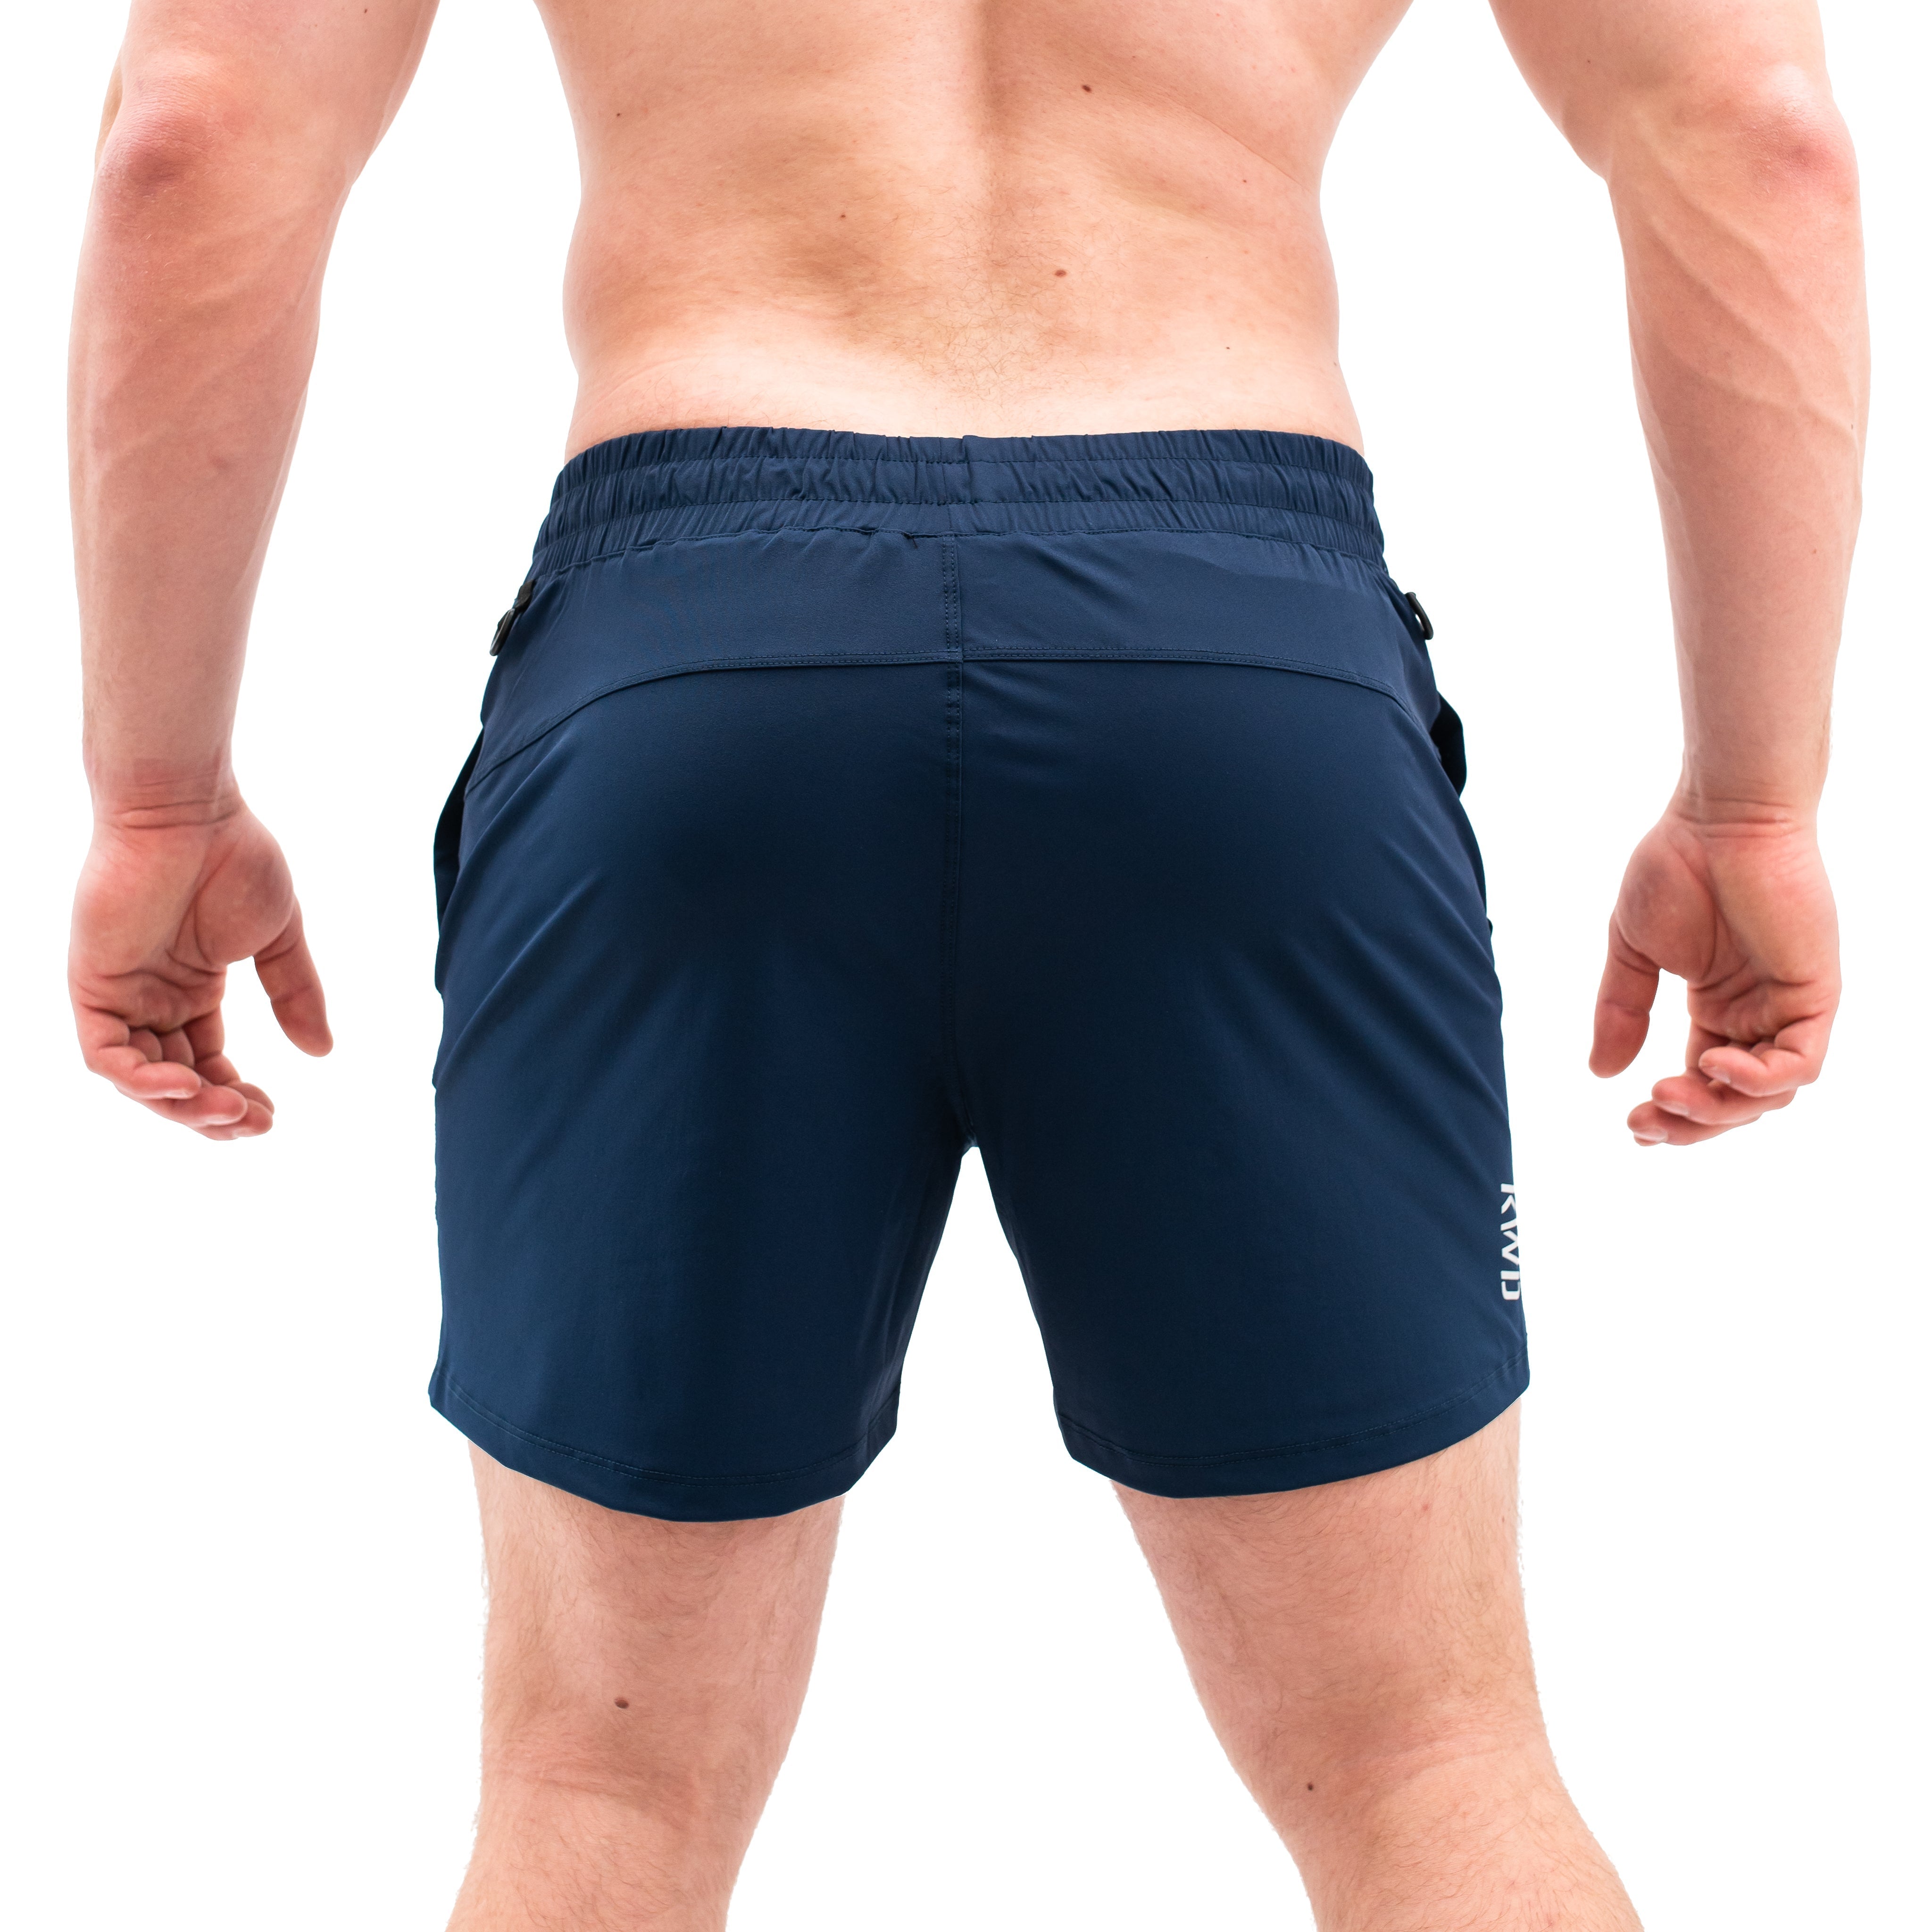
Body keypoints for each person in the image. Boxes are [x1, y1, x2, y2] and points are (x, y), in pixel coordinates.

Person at [66, 0, 1861, 1923]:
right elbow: (1760, 136)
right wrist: (1752, 804)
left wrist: (158, 797)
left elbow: (192, 137)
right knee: (1428, 1759)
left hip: (696, 666)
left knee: (602, 1788)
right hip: (1236, 680)